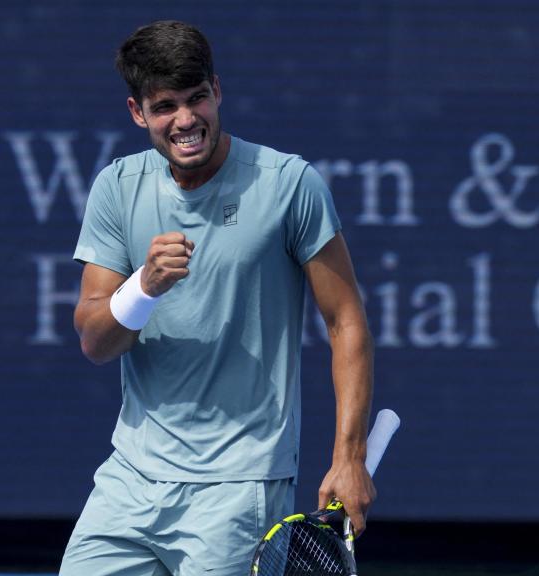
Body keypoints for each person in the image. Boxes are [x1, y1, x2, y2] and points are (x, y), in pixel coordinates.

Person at [61, 20, 375, 576]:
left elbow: (345, 321)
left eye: (196, 99)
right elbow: (94, 340)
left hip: (240, 487)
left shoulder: (289, 185)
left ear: (217, 91)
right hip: (130, 478)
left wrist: (348, 457)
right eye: (165, 107)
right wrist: (143, 287)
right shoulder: (115, 187)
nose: (185, 121)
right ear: (138, 113)